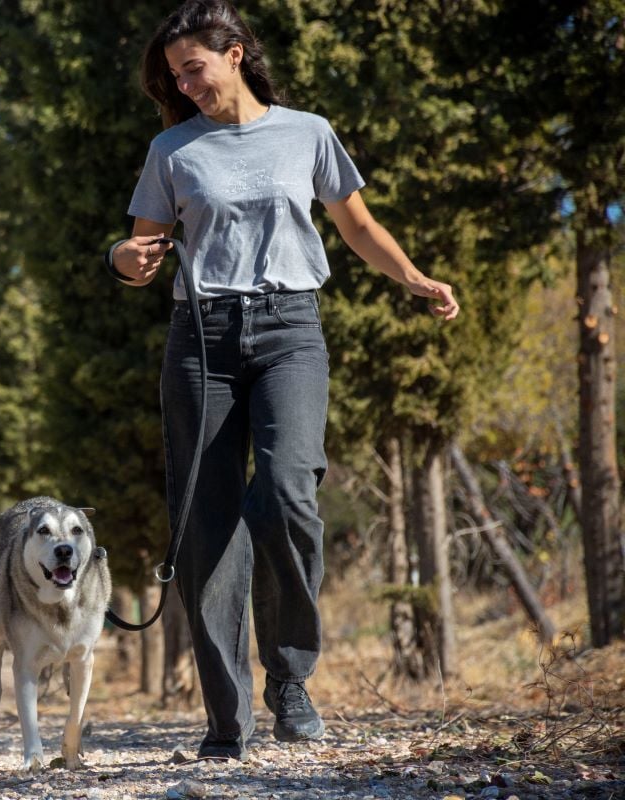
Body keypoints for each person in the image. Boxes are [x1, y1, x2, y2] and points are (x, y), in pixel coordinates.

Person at [106, 0, 459, 761]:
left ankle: (291, 679)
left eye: (193, 69)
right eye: (175, 77)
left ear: (233, 53)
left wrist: (413, 278)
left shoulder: (308, 133)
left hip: (290, 329)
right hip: (201, 341)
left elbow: (356, 224)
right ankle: (226, 719)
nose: (184, 86)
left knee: (291, 489)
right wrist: (123, 261)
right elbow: (141, 252)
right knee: (207, 524)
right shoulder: (172, 150)